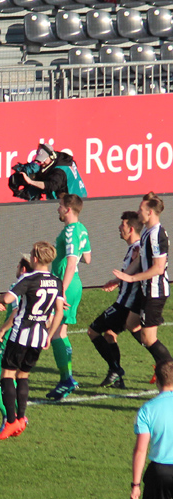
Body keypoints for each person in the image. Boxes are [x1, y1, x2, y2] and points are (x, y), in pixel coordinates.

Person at [0, 241, 64, 441]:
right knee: (23, 375)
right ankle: (22, 418)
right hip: (40, 335)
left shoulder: (28, 278)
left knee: (7, 374)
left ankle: (10, 422)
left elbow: (8, 299)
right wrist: (50, 336)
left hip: (22, 332)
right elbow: (59, 312)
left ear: (34, 258)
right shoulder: (56, 281)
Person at [113, 192, 173, 375]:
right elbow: (140, 260)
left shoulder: (157, 235)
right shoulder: (147, 231)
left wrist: (131, 279)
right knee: (131, 324)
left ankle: (168, 370)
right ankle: (162, 364)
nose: (138, 213)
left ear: (150, 212)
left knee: (148, 338)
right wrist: (119, 279)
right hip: (145, 289)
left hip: (155, 292)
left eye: (141, 209)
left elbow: (158, 268)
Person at [87, 211, 144, 388]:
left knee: (93, 331)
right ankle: (118, 378)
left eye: (123, 225)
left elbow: (138, 273)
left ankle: (115, 369)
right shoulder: (133, 249)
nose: (119, 228)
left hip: (124, 305)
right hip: (124, 302)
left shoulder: (137, 248)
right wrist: (116, 281)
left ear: (131, 228)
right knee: (110, 335)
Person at [45, 193, 91, 400]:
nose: (58, 209)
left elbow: (73, 262)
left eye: (60, 206)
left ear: (68, 209)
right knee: (60, 332)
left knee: (54, 332)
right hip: (73, 284)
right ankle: (68, 377)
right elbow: (87, 258)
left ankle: (66, 379)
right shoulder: (81, 229)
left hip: (66, 285)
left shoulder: (72, 231)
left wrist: (61, 292)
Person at [0, 255, 31, 433]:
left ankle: (9, 415)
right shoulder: (35, 285)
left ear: (23, 269)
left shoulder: (19, 286)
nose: (16, 268)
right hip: (26, 338)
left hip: (9, 338)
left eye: (18, 265)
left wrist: (2, 329)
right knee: (13, 376)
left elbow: (16, 310)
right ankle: (20, 415)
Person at [131, 361, 173, 499]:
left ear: (157, 381)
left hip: (159, 473)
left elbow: (141, 450)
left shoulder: (147, 409)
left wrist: (135, 485)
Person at [16, 143, 87, 201]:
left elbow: (51, 186)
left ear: (51, 157)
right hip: (80, 194)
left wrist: (30, 182)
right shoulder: (61, 158)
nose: (42, 162)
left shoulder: (59, 171)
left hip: (74, 201)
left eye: (44, 160)